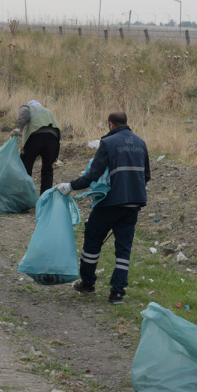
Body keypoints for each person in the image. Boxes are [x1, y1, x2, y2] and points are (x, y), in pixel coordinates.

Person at [57, 111, 150, 304]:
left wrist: (71, 186)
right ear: (125, 123)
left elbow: (92, 176)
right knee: (123, 248)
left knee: (93, 238)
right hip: (134, 203)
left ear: (111, 125)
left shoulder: (108, 143)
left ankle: (88, 283)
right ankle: (117, 293)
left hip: (110, 202)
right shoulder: (140, 143)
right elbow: (146, 175)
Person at [12, 100, 61, 195]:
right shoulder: (48, 110)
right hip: (53, 140)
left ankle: (25, 197)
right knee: (47, 170)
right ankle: (45, 198)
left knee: (25, 168)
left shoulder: (27, 107)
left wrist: (18, 128)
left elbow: (24, 115)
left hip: (35, 138)